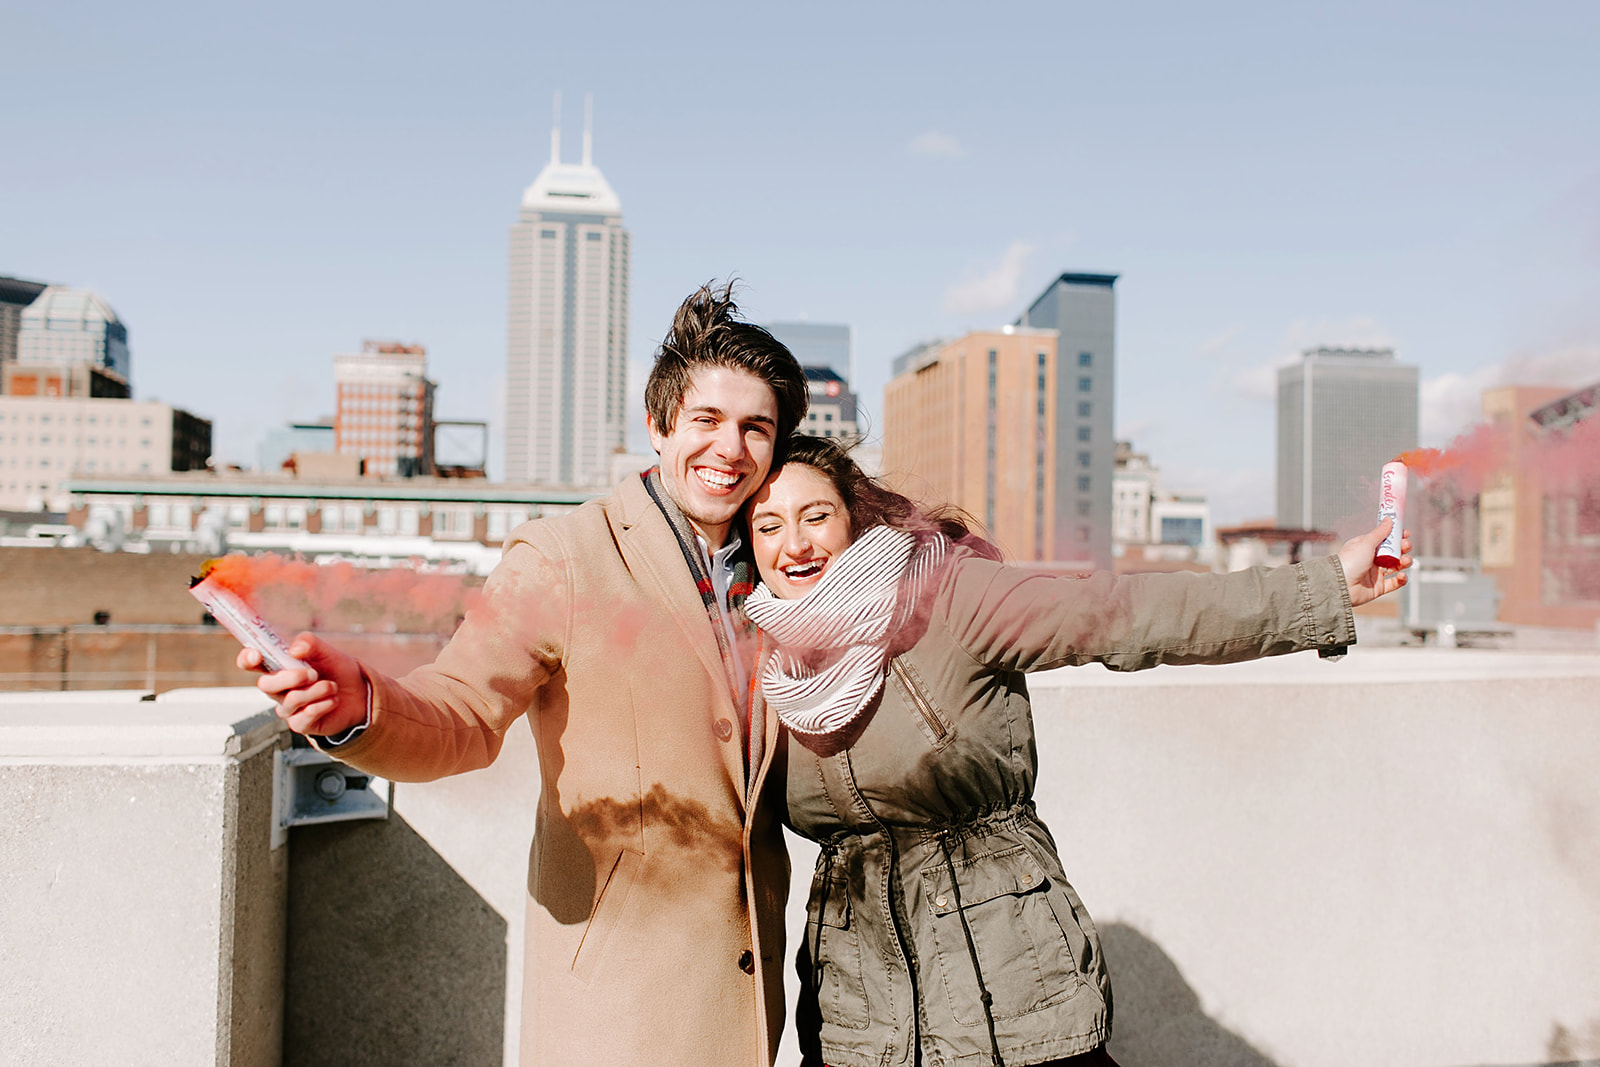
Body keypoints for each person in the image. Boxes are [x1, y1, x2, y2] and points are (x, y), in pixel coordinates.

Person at [241, 283, 809, 1065]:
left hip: (750, 1009)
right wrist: (361, 706)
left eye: (756, 428)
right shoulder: (564, 556)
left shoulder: (783, 571)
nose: (729, 449)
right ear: (658, 424)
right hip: (619, 1015)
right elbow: (462, 712)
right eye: (707, 420)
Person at [742, 435, 1412, 1067]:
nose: (794, 543)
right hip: (861, 1020)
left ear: (855, 520)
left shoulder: (947, 595)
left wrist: (1322, 589)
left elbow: (1124, 613)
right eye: (768, 525)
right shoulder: (762, 667)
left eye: (816, 515)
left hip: (1008, 996)